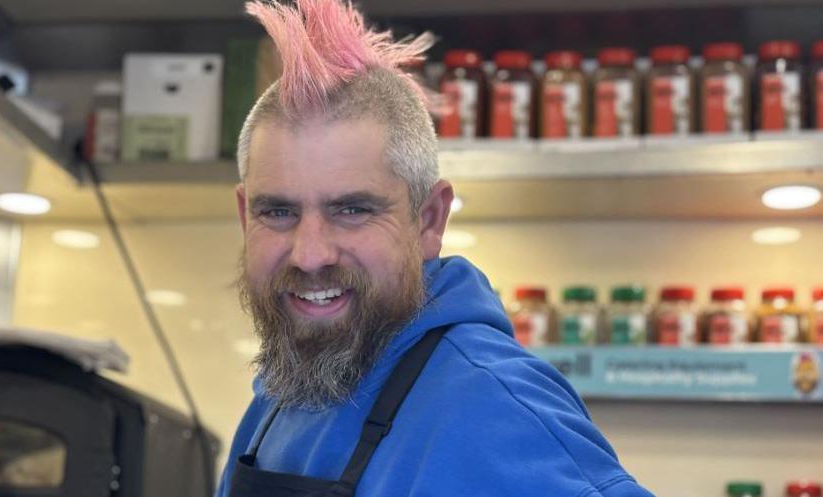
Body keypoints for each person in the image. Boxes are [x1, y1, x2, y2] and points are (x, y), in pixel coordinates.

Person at [217, 0, 656, 495]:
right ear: (244, 217)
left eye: (352, 210)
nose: (309, 254)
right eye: (277, 212)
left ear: (428, 220)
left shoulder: (492, 407)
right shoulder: (283, 393)